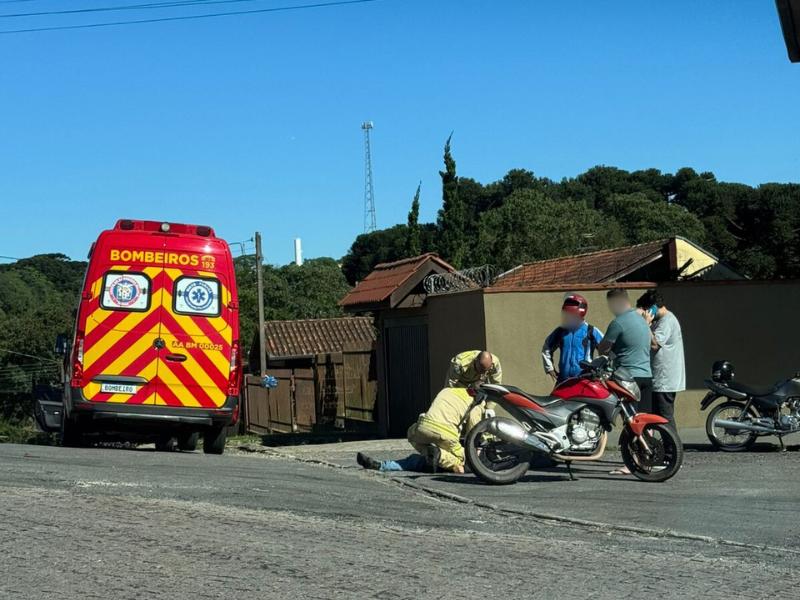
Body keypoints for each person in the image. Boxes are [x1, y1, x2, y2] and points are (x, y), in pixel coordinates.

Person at [357, 386, 483, 474]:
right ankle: (441, 456)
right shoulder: (476, 403)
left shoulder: (449, 391)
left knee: (413, 460)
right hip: (447, 445)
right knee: (467, 458)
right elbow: (474, 433)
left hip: (425, 431)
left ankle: (380, 465)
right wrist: (476, 449)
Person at [597, 288, 654, 413]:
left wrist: (611, 354)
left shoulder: (618, 323)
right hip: (647, 376)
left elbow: (603, 349)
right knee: (644, 418)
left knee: (631, 418)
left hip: (629, 378)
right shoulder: (642, 320)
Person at [636, 289, 685, 429]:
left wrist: (645, 324)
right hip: (659, 378)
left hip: (665, 380)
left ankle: (672, 443)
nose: (645, 313)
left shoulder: (667, 321)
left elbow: (655, 344)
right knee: (656, 416)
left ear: (652, 308)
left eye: (646, 309)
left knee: (665, 417)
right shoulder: (659, 321)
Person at [541, 294, 604, 383]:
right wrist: (549, 368)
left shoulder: (591, 331)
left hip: (584, 381)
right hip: (563, 380)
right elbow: (547, 348)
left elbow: (607, 349)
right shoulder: (560, 331)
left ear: (581, 314)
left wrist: (599, 369)